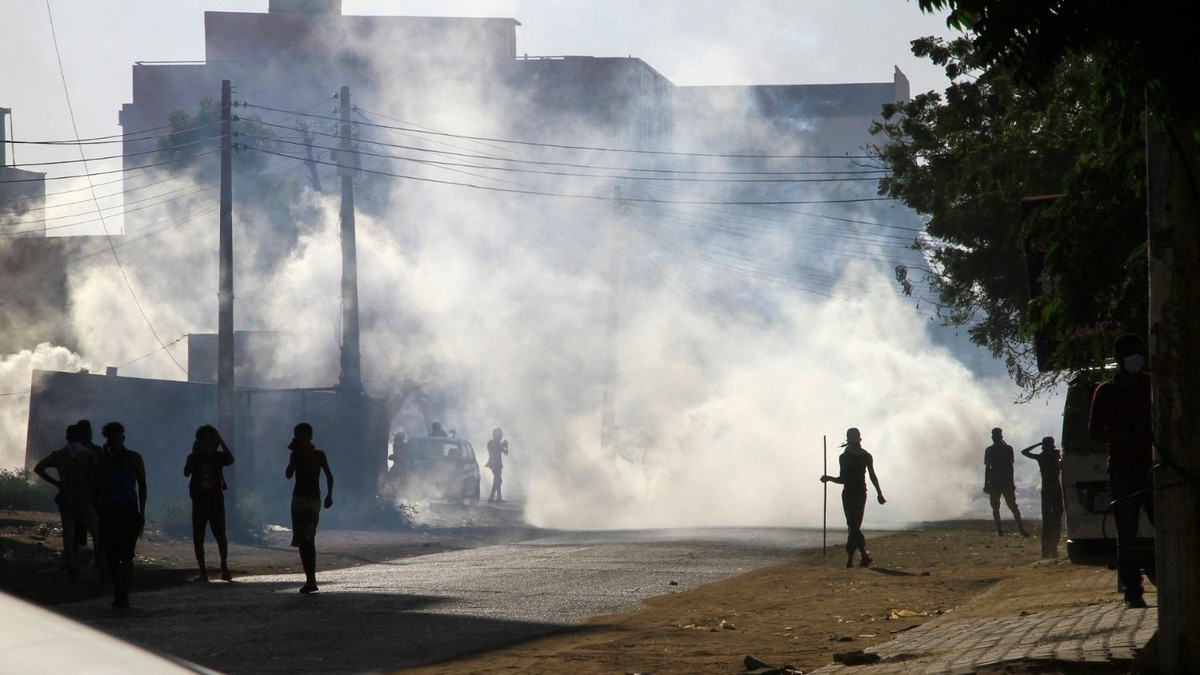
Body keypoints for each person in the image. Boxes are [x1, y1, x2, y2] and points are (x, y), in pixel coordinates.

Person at [1089, 333, 1155, 609]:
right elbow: (1094, 433)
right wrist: (1124, 436)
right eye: (1130, 354)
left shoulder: (1152, 385)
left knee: (1171, 527)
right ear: (1118, 359)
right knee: (1125, 535)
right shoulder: (1105, 392)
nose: (1135, 359)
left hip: (1155, 467)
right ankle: (1132, 592)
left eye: (1138, 353)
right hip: (1123, 469)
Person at [34, 422, 102, 580]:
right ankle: (100, 563)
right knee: (97, 533)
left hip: (66, 498)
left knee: (68, 534)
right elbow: (96, 476)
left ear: (67, 437)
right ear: (81, 436)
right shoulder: (89, 455)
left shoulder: (59, 454)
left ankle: (72, 566)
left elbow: (38, 468)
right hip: (84, 499)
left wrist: (57, 483)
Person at [820, 428, 886, 568]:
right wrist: (829, 478)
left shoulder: (863, 456)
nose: (854, 439)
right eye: (852, 436)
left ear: (856, 438)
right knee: (853, 525)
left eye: (855, 436)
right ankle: (858, 558)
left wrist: (879, 493)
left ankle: (858, 557)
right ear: (850, 438)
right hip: (852, 494)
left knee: (853, 526)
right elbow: (843, 479)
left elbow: (872, 476)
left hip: (858, 494)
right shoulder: (847, 457)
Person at [97, 422, 146, 608]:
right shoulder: (104, 459)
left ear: (123, 439)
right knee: (111, 556)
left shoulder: (134, 458)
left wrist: (143, 511)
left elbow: (142, 486)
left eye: (118, 438)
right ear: (108, 441)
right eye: (112, 439)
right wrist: (105, 459)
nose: (115, 442)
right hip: (108, 510)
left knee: (126, 556)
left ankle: (123, 593)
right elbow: (98, 484)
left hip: (128, 510)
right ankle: (119, 591)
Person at [285, 422, 333, 594]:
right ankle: (309, 579)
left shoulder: (318, 455)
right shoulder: (299, 455)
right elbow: (289, 474)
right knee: (302, 540)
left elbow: (329, 476)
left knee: (307, 539)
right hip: (302, 499)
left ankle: (311, 580)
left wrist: (329, 495)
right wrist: (294, 456)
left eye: (300, 435)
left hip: (310, 500)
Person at [183, 424, 235, 582]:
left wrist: (222, 443)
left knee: (220, 535)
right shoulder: (194, 457)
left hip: (215, 501)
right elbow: (186, 472)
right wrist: (196, 454)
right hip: (199, 502)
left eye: (209, 440)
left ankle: (224, 568)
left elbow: (231, 459)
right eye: (204, 441)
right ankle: (203, 572)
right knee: (198, 538)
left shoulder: (218, 457)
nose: (207, 444)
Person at [1021, 436, 1064, 558]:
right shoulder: (1056, 455)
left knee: (1047, 522)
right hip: (1056, 490)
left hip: (1046, 491)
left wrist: (1038, 444)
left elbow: (1024, 452)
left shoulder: (1041, 457)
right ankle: (1053, 550)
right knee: (1056, 521)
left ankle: (1045, 552)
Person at [984, 428, 1029, 537]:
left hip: (996, 482)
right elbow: (1010, 467)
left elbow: (988, 468)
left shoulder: (990, 450)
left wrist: (986, 483)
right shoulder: (1008, 449)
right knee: (1012, 506)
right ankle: (1020, 529)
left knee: (997, 507)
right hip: (1005, 482)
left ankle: (1000, 531)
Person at [486, 428, 510, 503]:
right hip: (496, 464)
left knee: (497, 480)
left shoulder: (490, 443)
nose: (501, 437)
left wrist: (504, 446)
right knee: (498, 480)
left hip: (494, 464)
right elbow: (504, 452)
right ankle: (492, 498)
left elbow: (504, 452)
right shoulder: (494, 444)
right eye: (500, 435)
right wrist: (505, 446)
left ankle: (497, 498)